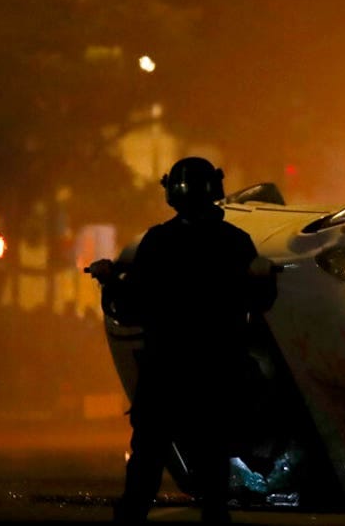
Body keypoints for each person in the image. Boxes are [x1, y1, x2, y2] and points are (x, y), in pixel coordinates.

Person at [88, 156, 277, 524]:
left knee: (148, 456)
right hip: (216, 370)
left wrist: (109, 280)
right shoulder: (235, 243)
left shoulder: (158, 242)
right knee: (212, 460)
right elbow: (260, 303)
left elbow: (129, 307)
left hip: (166, 371)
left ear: (172, 194)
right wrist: (263, 277)